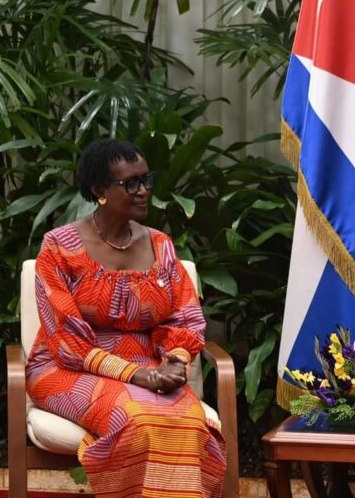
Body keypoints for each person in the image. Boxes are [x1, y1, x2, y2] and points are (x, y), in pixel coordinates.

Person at [26, 139, 226, 498]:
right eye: (131, 183)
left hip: (149, 365)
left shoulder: (161, 245)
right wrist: (140, 376)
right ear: (99, 190)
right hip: (68, 368)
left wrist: (177, 361)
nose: (144, 191)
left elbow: (183, 315)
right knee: (136, 418)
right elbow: (67, 342)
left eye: (146, 179)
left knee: (189, 422)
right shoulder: (58, 248)